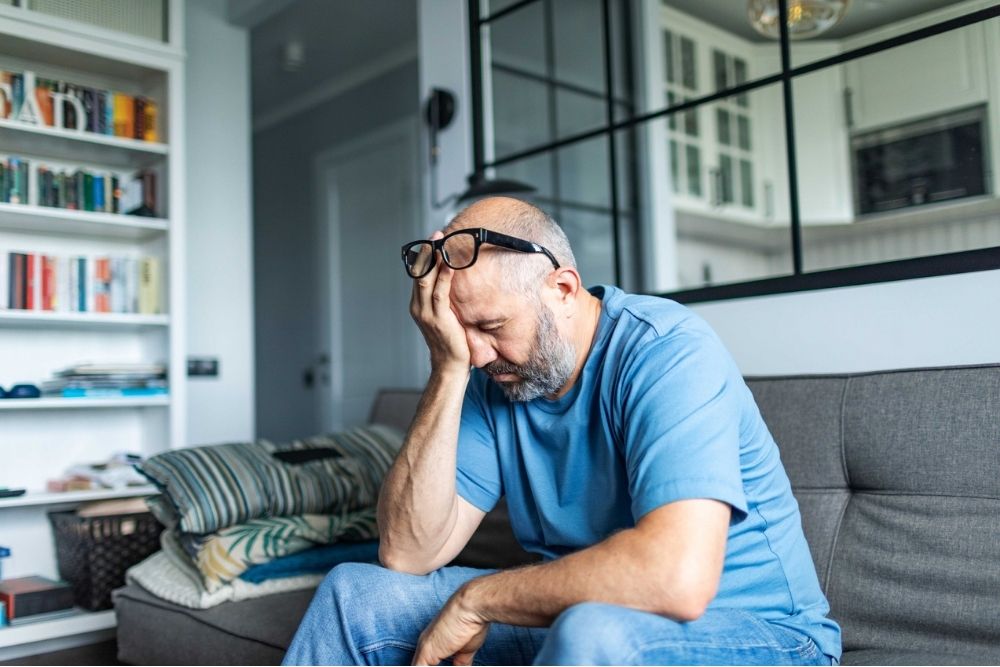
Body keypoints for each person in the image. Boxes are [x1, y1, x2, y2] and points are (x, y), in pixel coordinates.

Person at [283, 197, 841, 666]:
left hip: (766, 637)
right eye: (457, 331)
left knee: (591, 633)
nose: (477, 352)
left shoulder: (667, 352)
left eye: (491, 326)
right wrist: (446, 368)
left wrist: (480, 600)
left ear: (563, 289)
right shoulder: (489, 375)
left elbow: (676, 577)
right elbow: (407, 553)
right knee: (355, 595)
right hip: (580, 620)